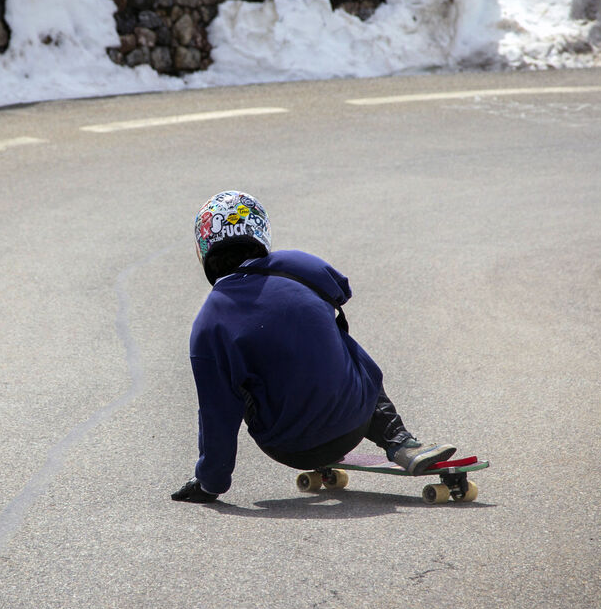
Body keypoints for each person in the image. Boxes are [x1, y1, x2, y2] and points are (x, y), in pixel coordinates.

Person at [172, 190, 455, 503]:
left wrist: (210, 482)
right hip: (355, 417)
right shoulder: (298, 265)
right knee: (338, 338)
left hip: (288, 446)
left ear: (203, 248)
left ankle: (318, 429)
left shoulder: (208, 323)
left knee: (231, 378)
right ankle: (399, 439)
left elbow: (216, 414)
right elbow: (341, 290)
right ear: (260, 230)